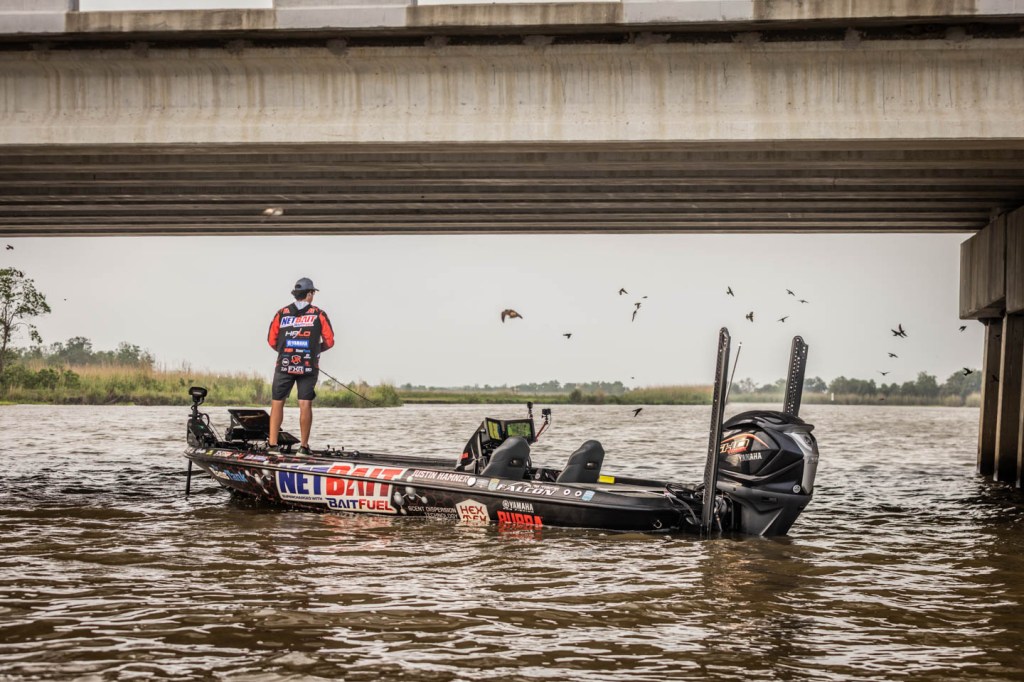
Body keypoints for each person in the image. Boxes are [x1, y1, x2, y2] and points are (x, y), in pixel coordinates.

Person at [266, 277, 335, 455]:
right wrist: (315, 350)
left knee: (277, 403)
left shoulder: (281, 313)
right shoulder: (319, 314)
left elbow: (271, 340)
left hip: (284, 364)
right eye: (313, 293)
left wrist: (285, 352)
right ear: (309, 294)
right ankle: (303, 447)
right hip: (308, 365)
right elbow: (330, 341)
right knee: (305, 404)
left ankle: (272, 446)